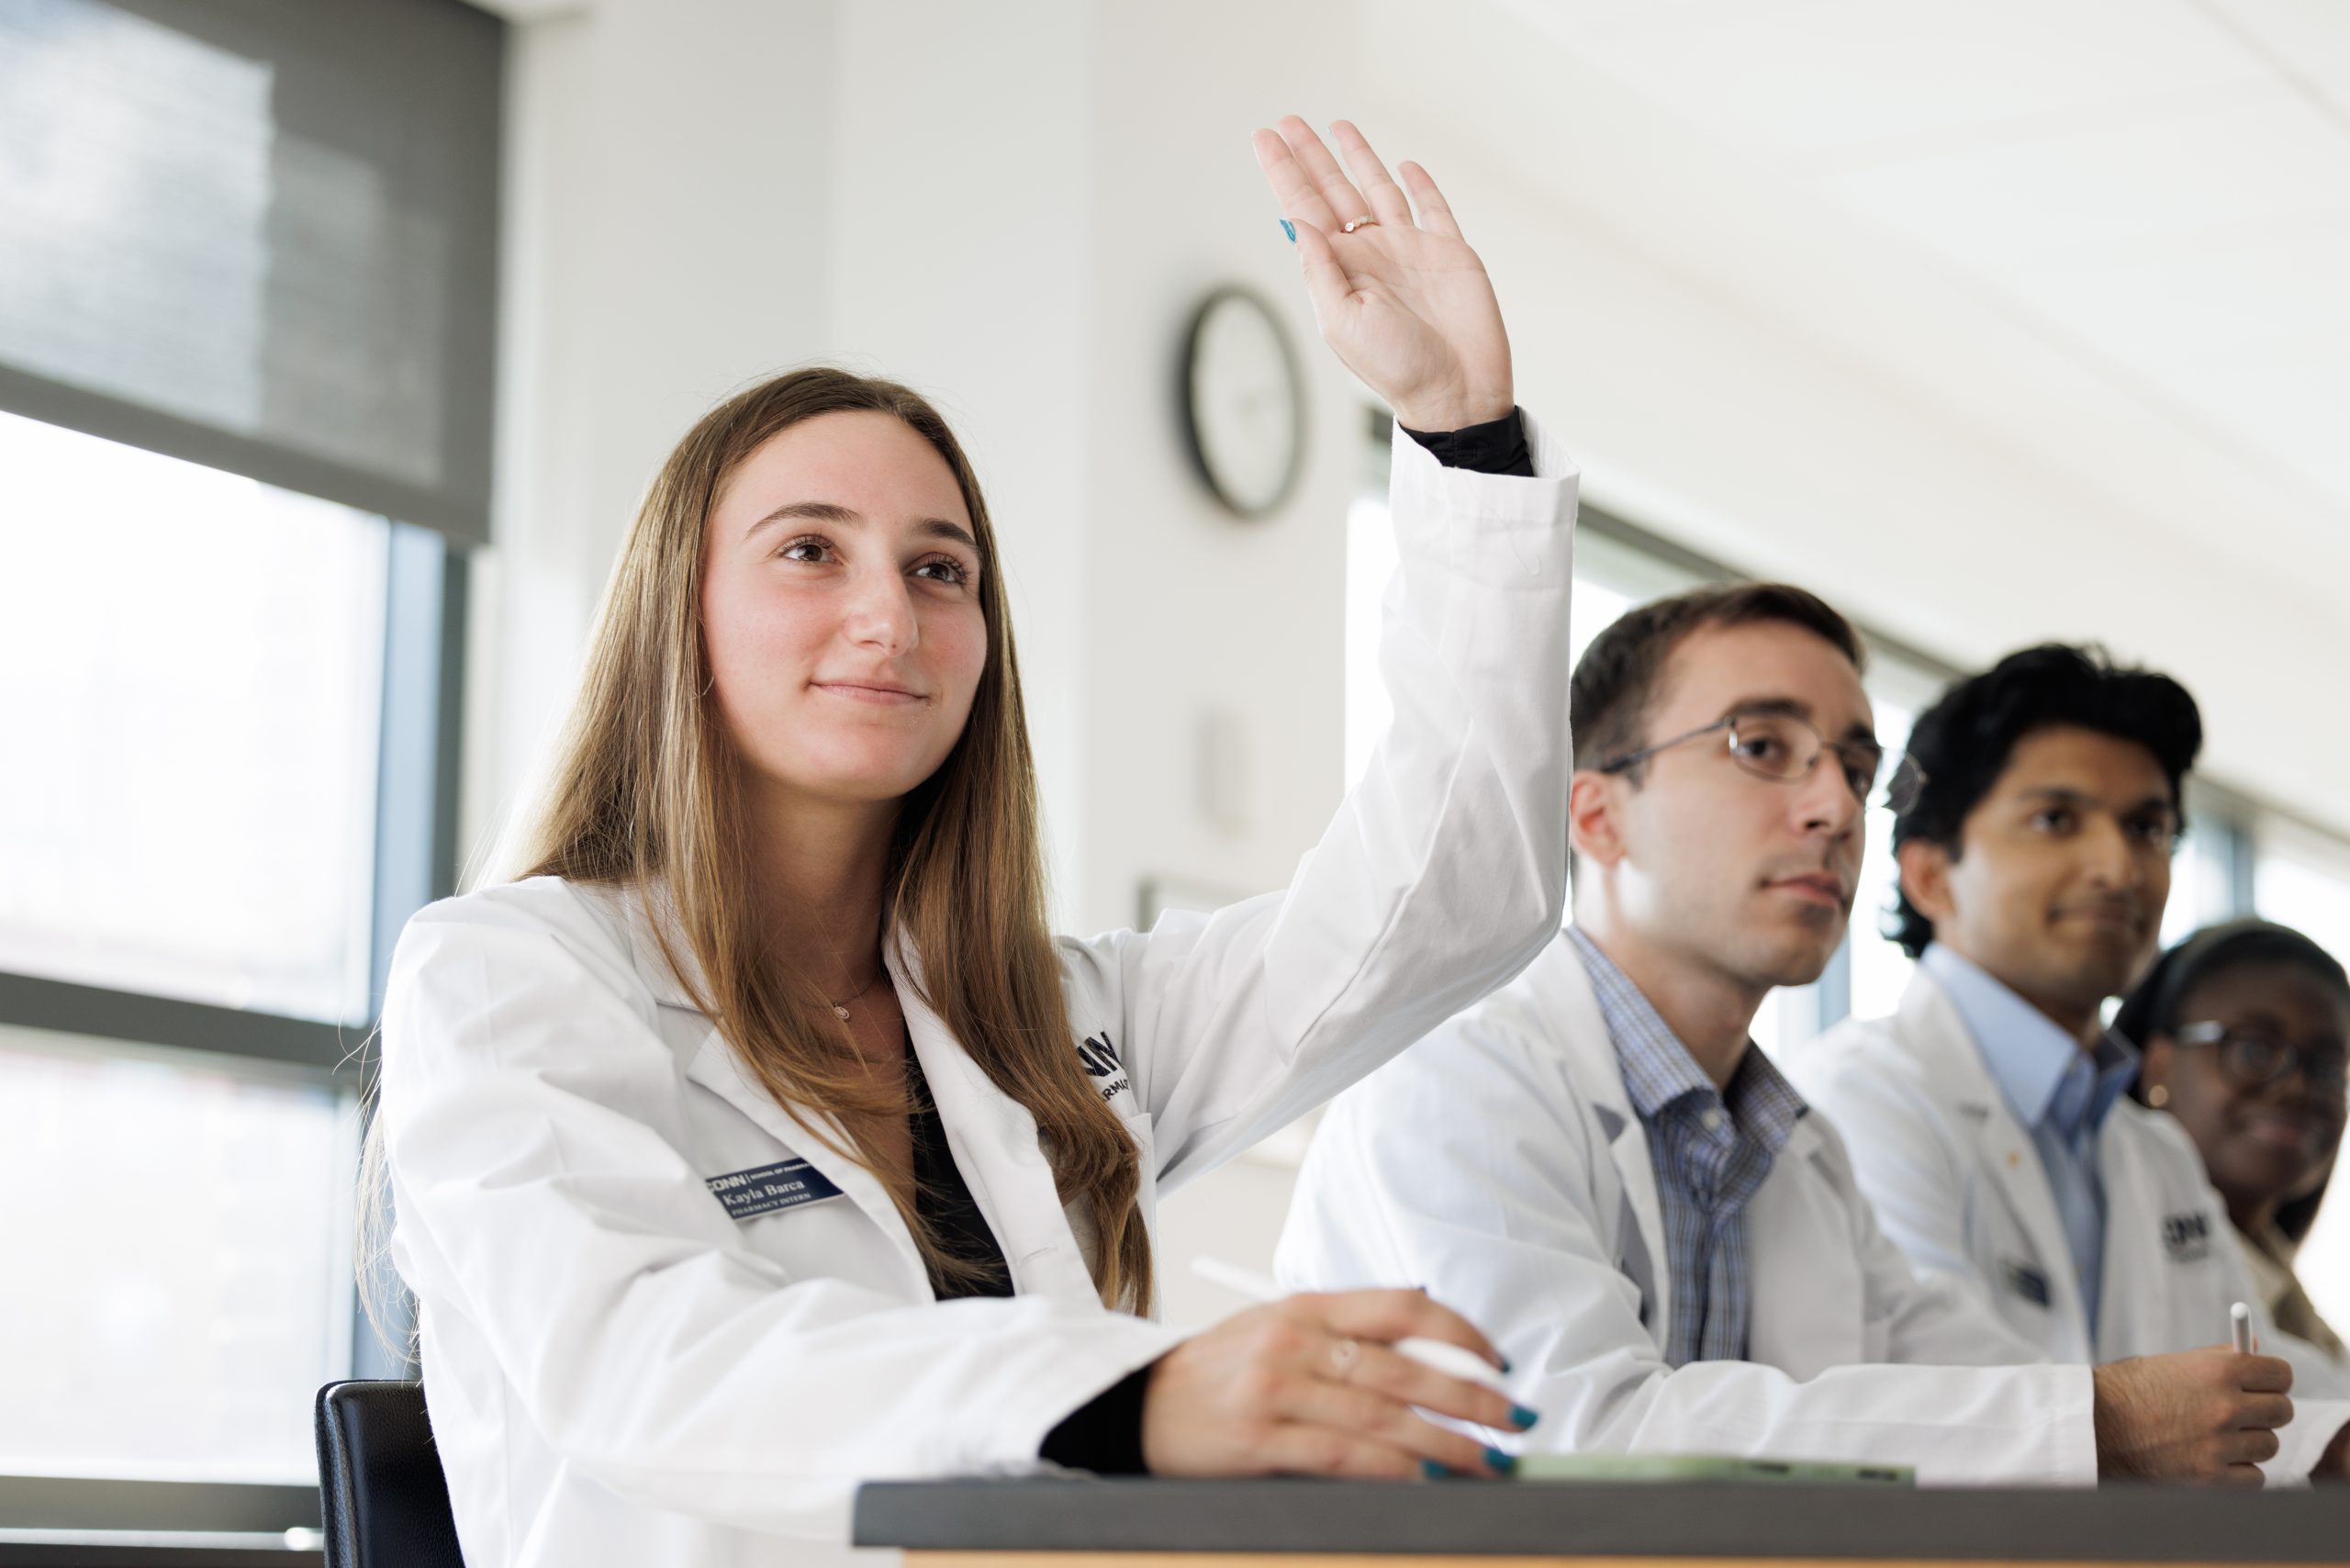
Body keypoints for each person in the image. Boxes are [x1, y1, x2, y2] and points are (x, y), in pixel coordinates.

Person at [367, 118, 1580, 1568]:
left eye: (940, 570)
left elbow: (1454, 893)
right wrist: (1138, 1399)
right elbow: (646, 1361)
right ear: (675, 617)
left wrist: (1461, 431)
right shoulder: (510, 978)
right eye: (809, 550)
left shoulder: (1054, 1015)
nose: (890, 614)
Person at [1277, 589, 2292, 1484]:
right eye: (1760, 747)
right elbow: (1573, 1440)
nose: (1833, 809)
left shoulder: (1797, 1151)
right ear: (1595, 816)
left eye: (1854, 766)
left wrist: (2304, 1441)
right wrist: (2100, 1424)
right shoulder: (1459, 1077)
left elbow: (1970, 1386)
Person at [1787, 644, 2350, 1477]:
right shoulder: (1859, 1096)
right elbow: (1929, 1389)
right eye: (2057, 819)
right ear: (1931, 875)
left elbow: (2264, 1376)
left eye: (2148, 828)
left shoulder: (2151, 1151)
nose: (2120, 868)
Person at [2121, 920, 2350, 1363]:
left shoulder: (2291, 1303)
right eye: (2255, 1050)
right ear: (2159, 1065)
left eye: (2326, 1068)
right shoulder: (2122, 1267)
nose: (2298, 1088)